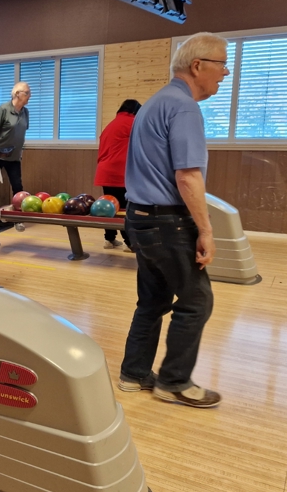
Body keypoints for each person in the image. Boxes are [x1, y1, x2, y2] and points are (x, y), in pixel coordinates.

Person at [118, 32, 228, 409]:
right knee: (197, 301)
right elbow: (187, 176)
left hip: (140, 218)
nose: (226, 73)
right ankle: (174, 382)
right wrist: (207, 231)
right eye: (221, 63)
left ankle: (134, 374)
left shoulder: (154, 102)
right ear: (198, 66)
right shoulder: (183, 107)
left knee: (152, 300)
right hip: (167, 223)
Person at [94, 99, 141, 251]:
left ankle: (109, 239)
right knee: (124, 209)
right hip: (120, 173)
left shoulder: (111, 125)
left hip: (105, 171)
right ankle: (129, 243)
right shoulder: (133, 123)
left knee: (109, 208)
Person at [0, 81, 30, 194]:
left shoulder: (25, 112)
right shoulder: (3, 109)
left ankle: (18, 211)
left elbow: (20, 134)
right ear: (17, 94)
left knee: (18, 187)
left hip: (14, 157)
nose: (30, 96)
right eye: (27, 93)